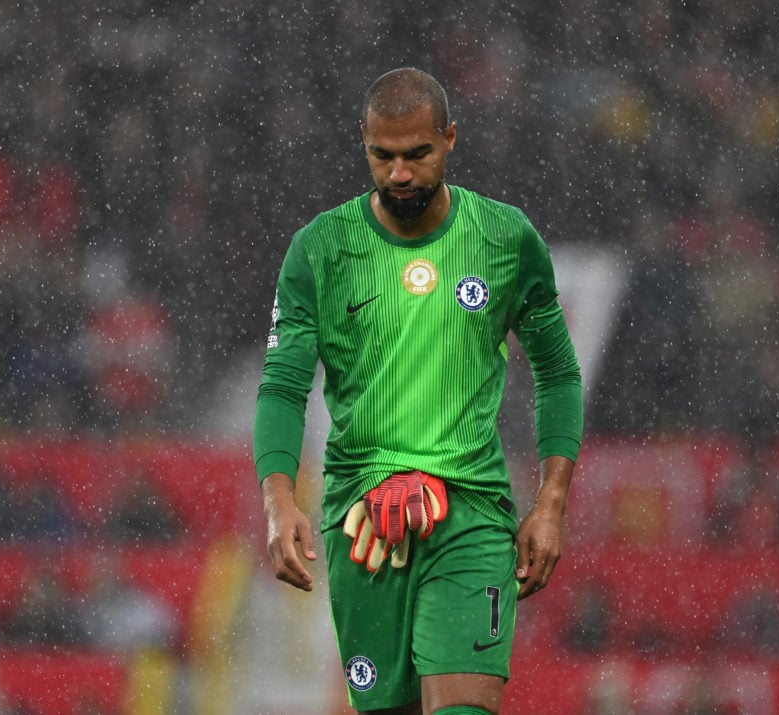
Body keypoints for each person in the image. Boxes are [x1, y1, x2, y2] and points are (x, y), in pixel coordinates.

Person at [253, 67, 583, 714]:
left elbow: (558, 373)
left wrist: (551, 502)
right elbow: (283, 387)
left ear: (450, 139)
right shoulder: (319, 250)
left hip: (470, 512)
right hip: (362, 522)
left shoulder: (504, 238)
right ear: (363, 143)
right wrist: (279, 501)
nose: (399, 173)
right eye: (383, 156)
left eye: (417, 154)